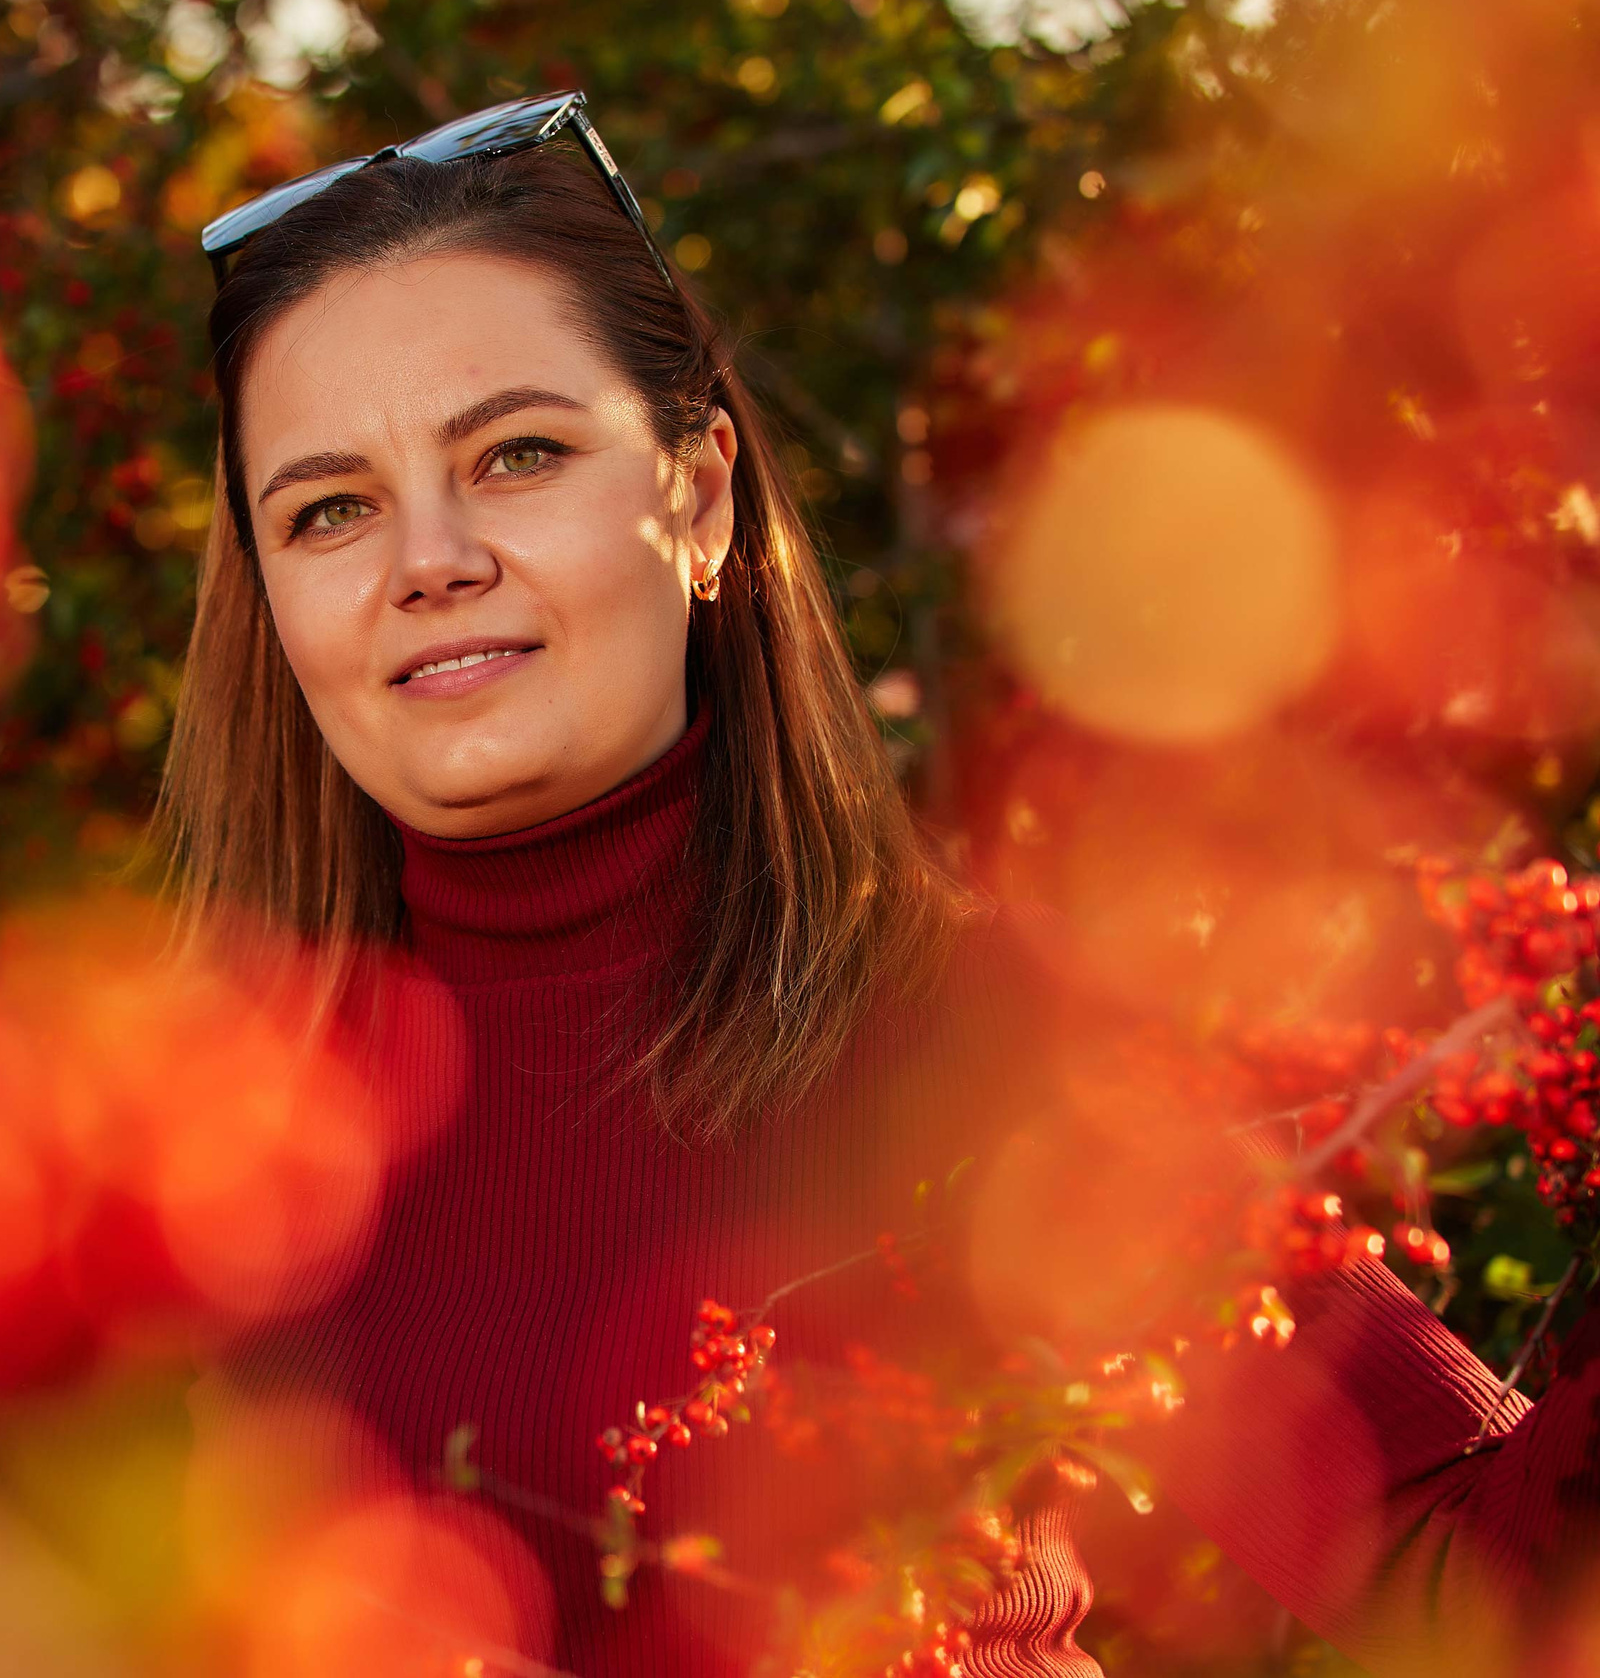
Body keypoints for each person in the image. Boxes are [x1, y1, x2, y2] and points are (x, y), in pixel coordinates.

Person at [144, 91, 1599, 1676]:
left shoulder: (991, 1042)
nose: (429, 557)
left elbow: (1476, 1600)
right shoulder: (183, 1147)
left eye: (516, 455)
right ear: (275, 595)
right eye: (332, 507)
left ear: (697, 499)